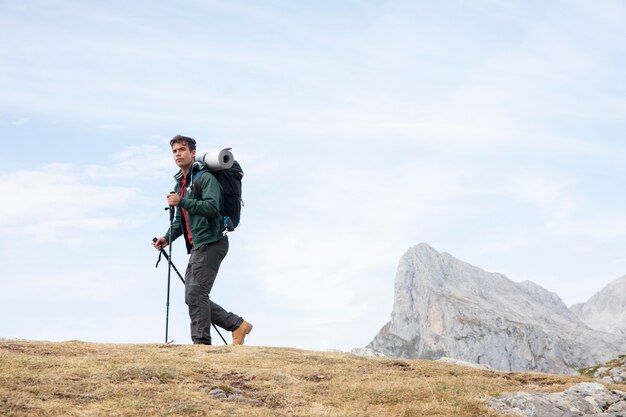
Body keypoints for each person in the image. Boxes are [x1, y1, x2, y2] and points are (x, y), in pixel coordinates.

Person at [152, 135, 252, 345]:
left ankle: (201, 344)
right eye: (174, 151)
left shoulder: (205, 178)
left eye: (182, 150)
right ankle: (237, 325)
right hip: (199, 246)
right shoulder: (181, 183)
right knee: (192, 297)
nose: (178, 154)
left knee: (196, 292)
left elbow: (212, 207)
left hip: (213, 241)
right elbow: (180, 221)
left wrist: (183, 201)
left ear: (193, 153)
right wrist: (166, 239)